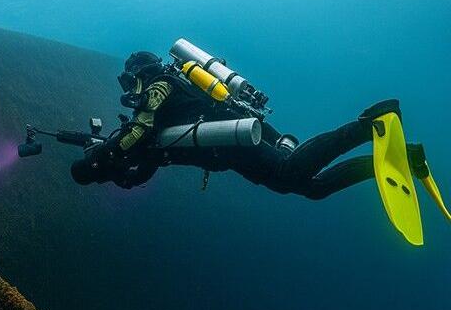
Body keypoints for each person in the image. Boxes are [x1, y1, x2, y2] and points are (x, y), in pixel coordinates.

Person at [70, 50, 408, 199]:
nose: (129, 90)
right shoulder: (167, 101)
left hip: (232, 137)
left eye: (129, 82)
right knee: (310, 188)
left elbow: (139, 130)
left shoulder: (159, 86)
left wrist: (104, 152)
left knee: (290, 173)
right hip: (230, 141)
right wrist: (121, 176)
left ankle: (369, 125)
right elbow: (150, 160)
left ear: (138, 74)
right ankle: (384, 164)